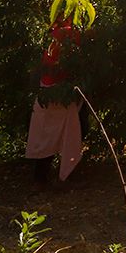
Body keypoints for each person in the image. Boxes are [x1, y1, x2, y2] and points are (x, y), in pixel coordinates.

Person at [25, 18, 84, 186]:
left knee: (47, 136)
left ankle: (44, 176)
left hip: (50, 89)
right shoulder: (67, 34)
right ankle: (60, 174)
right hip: (58, 91)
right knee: (66, 132)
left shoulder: (55, 36)